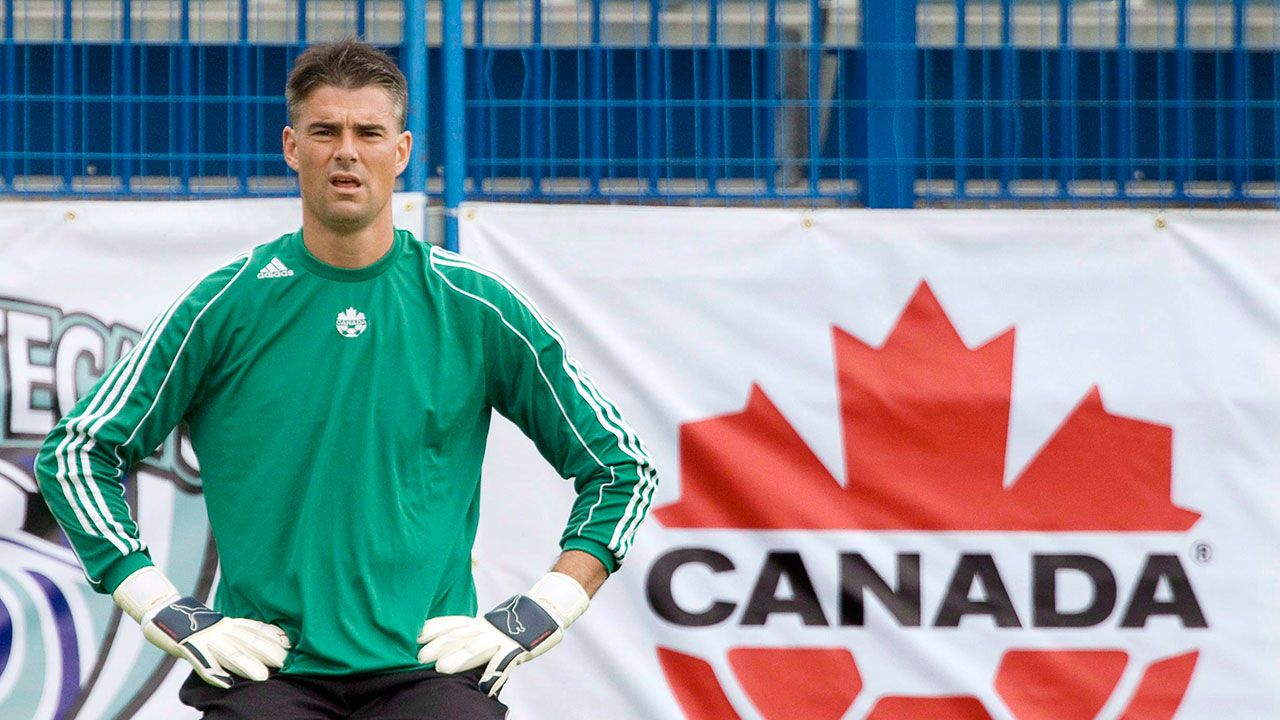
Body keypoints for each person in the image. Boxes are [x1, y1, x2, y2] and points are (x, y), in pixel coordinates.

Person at [36, 38, 657, 719]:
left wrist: (549, 605)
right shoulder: (227, 303)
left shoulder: (475, 307)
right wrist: (158, 602)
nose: (346, 151)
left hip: (429, 670)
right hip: (268, 670)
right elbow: (76, 453)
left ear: (402, 151)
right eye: (324, 131)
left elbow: (621, 467)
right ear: (291, 146)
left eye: (368, 132)